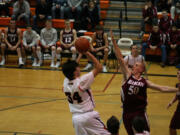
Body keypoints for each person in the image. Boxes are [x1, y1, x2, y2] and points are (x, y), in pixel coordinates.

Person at [110, 30, 179, 135]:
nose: (133, 66)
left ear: (141, 69)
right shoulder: (128, 75)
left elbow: (162, 88)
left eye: (136, 65)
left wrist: (177, 89)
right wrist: (114, 43)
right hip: (127, 112)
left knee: (145, 133)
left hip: (140, 113)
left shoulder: (145, 81)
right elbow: (120, 58)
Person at [62, 51, 111, 135]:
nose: (79, 68)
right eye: (77, 67)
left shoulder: (65, 82)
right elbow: (99, 67)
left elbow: (70, 68)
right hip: (88, 116)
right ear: (74, 71)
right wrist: (87, 52)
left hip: (76, 119)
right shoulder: (82, 81)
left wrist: (80, 54)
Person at [167, 70, 180, 135]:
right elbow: (177, 95)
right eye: (178, 73)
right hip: (179, 109)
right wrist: (171, 102)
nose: (179, 75)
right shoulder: (178, 85)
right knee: (172, 126)